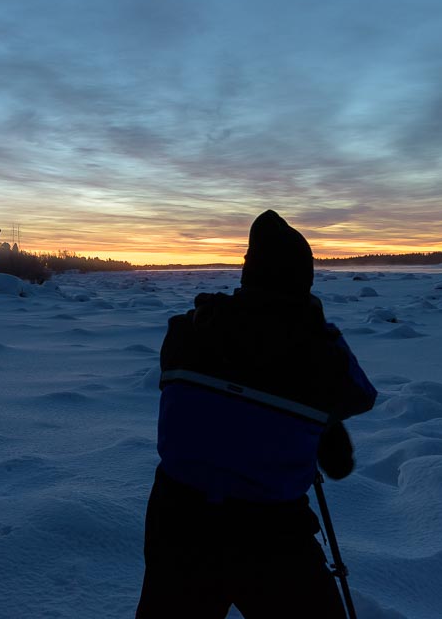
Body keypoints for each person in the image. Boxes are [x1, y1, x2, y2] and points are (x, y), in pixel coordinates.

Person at [136, 210, 377, 619]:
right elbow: (359, 395)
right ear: (305, 281)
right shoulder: (320, 352)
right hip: (273, 535)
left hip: (176, 520)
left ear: (248, 273)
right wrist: (310, 327)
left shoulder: (187, 331)